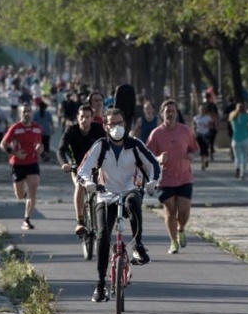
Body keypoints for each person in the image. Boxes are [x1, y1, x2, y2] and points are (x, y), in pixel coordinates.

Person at [77, 108, 161, 302]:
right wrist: (89, 183)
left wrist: (153, 182)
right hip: (106, 195)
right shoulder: (101, 146)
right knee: (102, 236)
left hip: (129, 190)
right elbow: (83, 169)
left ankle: (138, 246)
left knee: (133, 200)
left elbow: (153, 165)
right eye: (112, 124)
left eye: (120, 123)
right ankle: (100, 285)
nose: (117, 127)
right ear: (105, 126)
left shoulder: (134, 145)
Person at [146, 101, 199, 254]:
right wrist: (158, 159)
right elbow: (147, 155)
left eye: (173, 111)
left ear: (176, 113)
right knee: (170, 209)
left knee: (184, 211)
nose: (170, 113)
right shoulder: (156, 133)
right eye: (167, 111)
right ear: (162, 114)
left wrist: (191, 155)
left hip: (184, 177)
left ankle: (181, 229)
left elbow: (193, 149)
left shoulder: (185, 131)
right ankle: (173, 241)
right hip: (165, 178)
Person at [57, 105, 106, 235]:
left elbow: (109, 146)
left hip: (95, 167)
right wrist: (64, 164)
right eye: (81, 117)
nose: (84, 120)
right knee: (80, 185)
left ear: (92, 118)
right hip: (77, 167)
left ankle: (102, 216)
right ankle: (80, 222)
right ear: (77, 118)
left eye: (87, 117)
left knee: (103, 186)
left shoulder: (99, 129)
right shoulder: (71, 130)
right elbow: (61, 150)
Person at [0, 103, 44, 230]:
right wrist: (15, 153)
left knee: (34, 188)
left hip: (32, 163)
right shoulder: (15, 128)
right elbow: (3, 144)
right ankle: (24, 194)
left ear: (32, 113)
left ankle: (27, 219)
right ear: (20, 113)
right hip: (18, 164)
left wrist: (40, 149)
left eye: (29, 111)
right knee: (19, 196)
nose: (27, 113)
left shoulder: (37, 128)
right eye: (24, 111)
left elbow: (40, 146)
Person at [228, 101, 248, 179]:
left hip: (235, 138)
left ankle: (237, 167)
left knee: (237, 157)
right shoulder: (246, 116)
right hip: (245, 138)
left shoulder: (232, 117)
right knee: (244, 156)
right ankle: (242, 173)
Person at [193, 103, 214, 171]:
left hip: (206, 134)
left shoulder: (208, 117)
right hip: (199, 134)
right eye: (201, 109)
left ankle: (207, 159)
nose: (202, 110)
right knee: (201, 148)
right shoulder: (196, 118)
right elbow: (194, 126)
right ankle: (202, 163)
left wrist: (208, 126)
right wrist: (194, 132)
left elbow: (211, 126)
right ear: (199, 110)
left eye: (203, 109)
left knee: (206, 147)